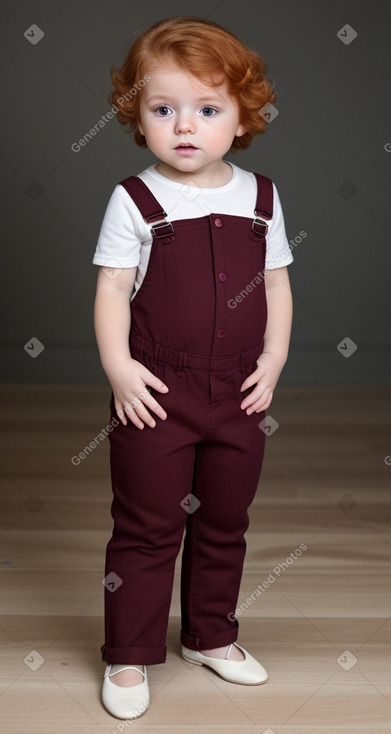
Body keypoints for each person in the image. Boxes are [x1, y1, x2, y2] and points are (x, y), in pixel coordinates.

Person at [93, 15, 293, 720]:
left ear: (241, 117)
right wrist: (119, 368)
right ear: (136, 115)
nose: (184, 126)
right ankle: (128, 653)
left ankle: (210, 634)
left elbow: (274, 286)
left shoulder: (261, 197)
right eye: (162, 109)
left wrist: (271, 360)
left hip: (238, 390)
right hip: (156, 391)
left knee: (224, 520)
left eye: (206, 109)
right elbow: (113, 287)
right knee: (147, 525)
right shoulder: (134, 199)